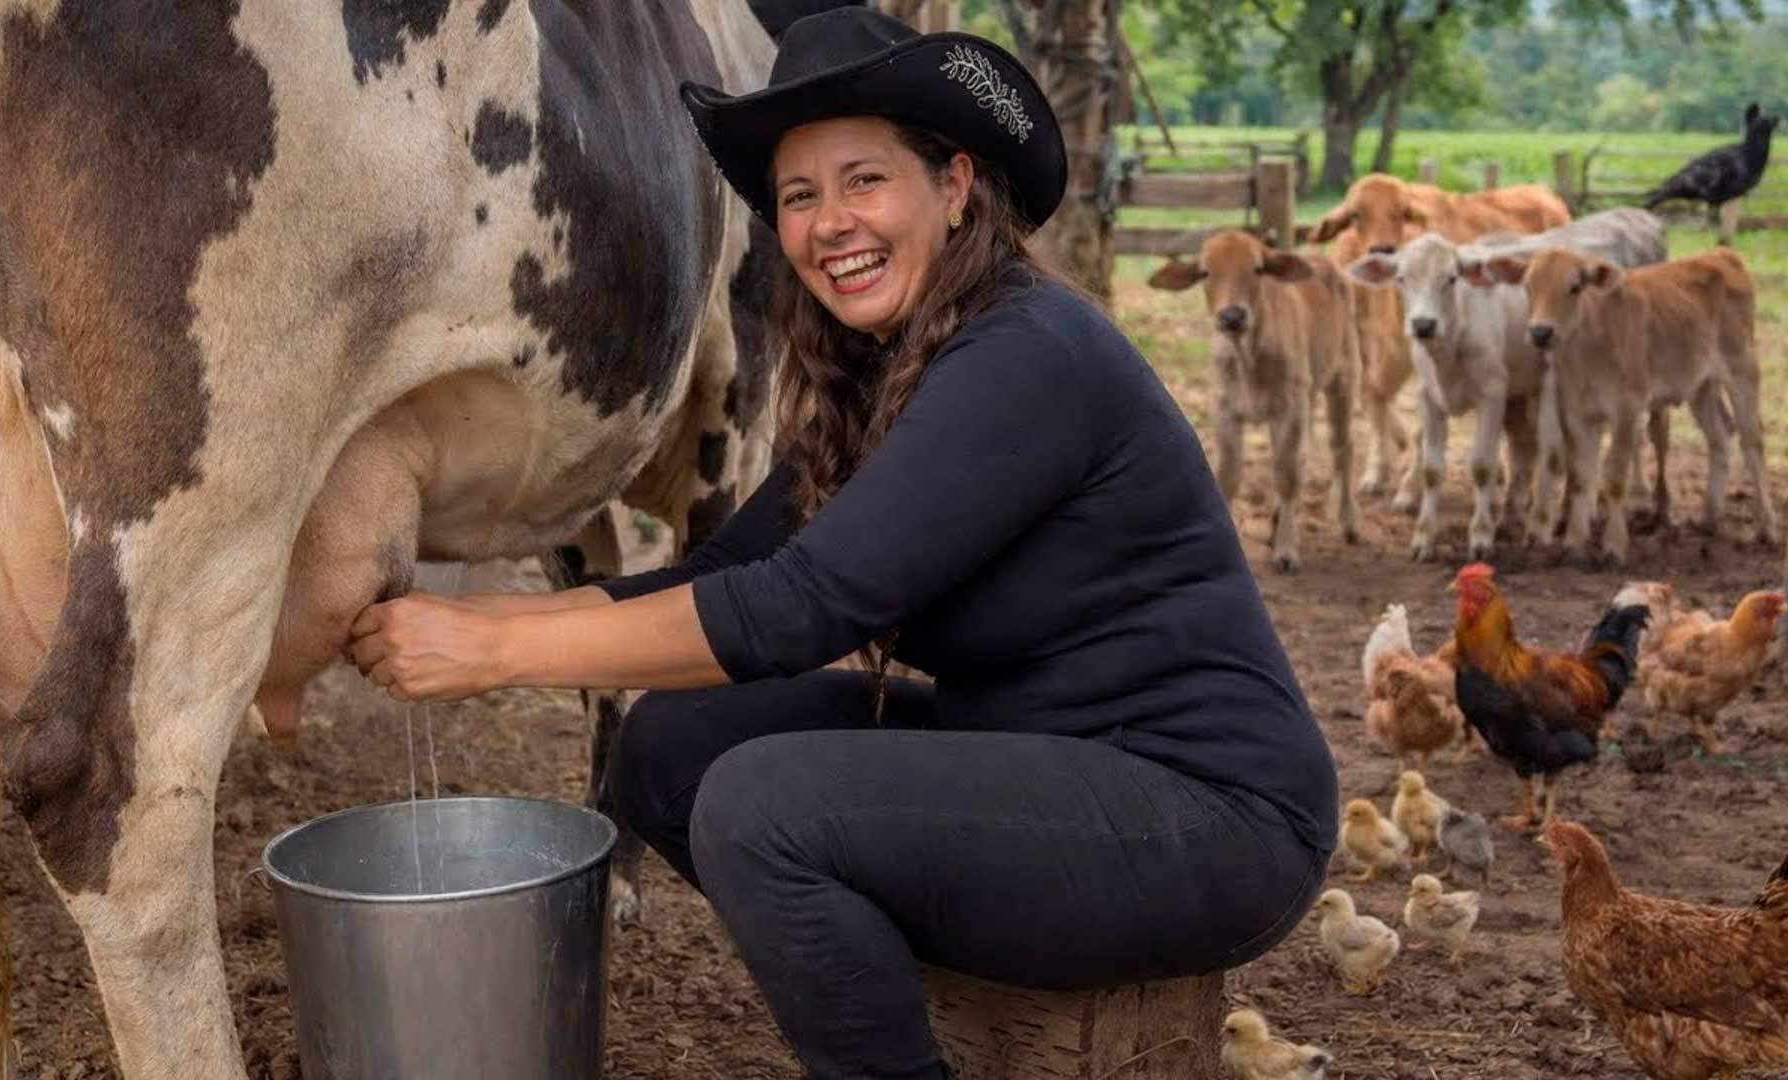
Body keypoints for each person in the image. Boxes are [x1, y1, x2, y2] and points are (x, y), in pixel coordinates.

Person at [346, 8, 1336, 1078]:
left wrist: (490, 657)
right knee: (669, 748)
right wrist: (478, 616)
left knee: (762, 813)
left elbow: (802, 607)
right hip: (1037, 759)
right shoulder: (889, 375)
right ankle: (923, 988)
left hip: (1209, 814)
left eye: (864, 180)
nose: (830, 225)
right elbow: (726, 574)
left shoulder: (1031, 353)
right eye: (799, 196)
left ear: (955, 186)